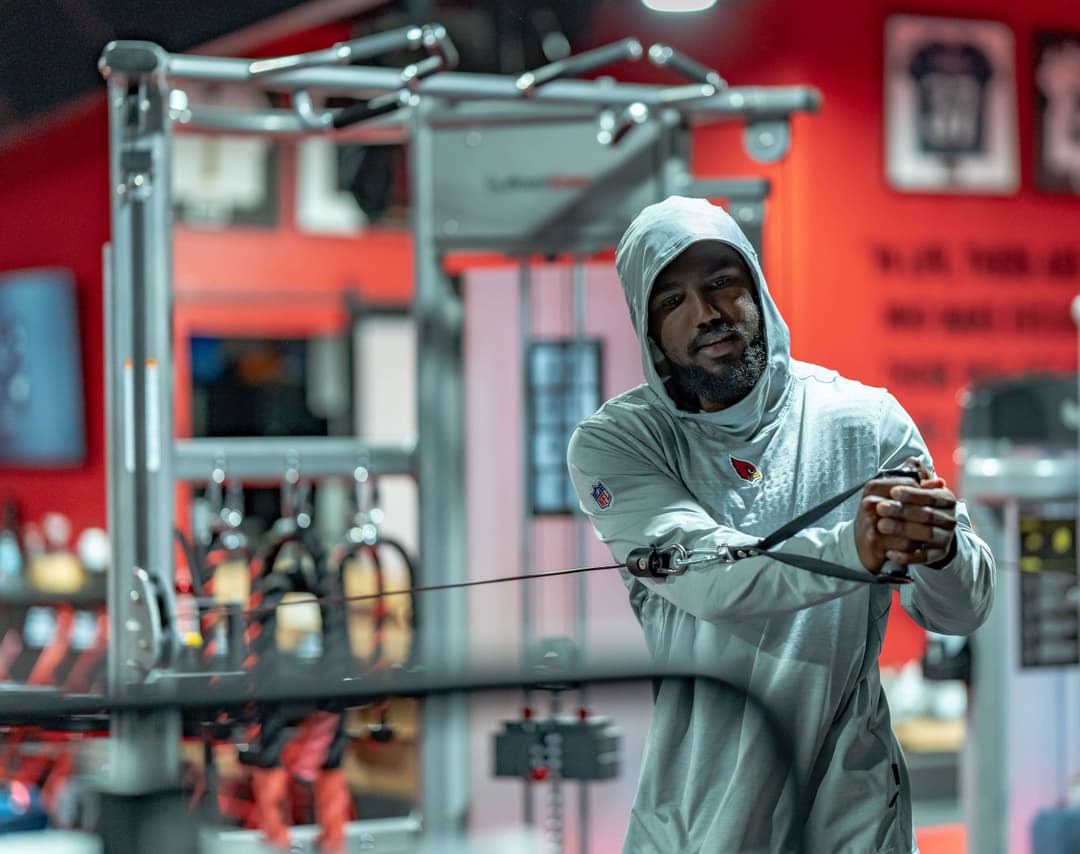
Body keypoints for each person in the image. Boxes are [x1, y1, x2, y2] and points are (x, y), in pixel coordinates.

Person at [566, 196, 994, 854]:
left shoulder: (864, 421)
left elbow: (959, 612)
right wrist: (854, 549)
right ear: (649, 333)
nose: (706, 313)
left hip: (852, 814)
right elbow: (710, 576)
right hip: (701, 815)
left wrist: (942, 554)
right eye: (673, 301)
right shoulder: (620, 444)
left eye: (721, 283)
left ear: (756, 288)